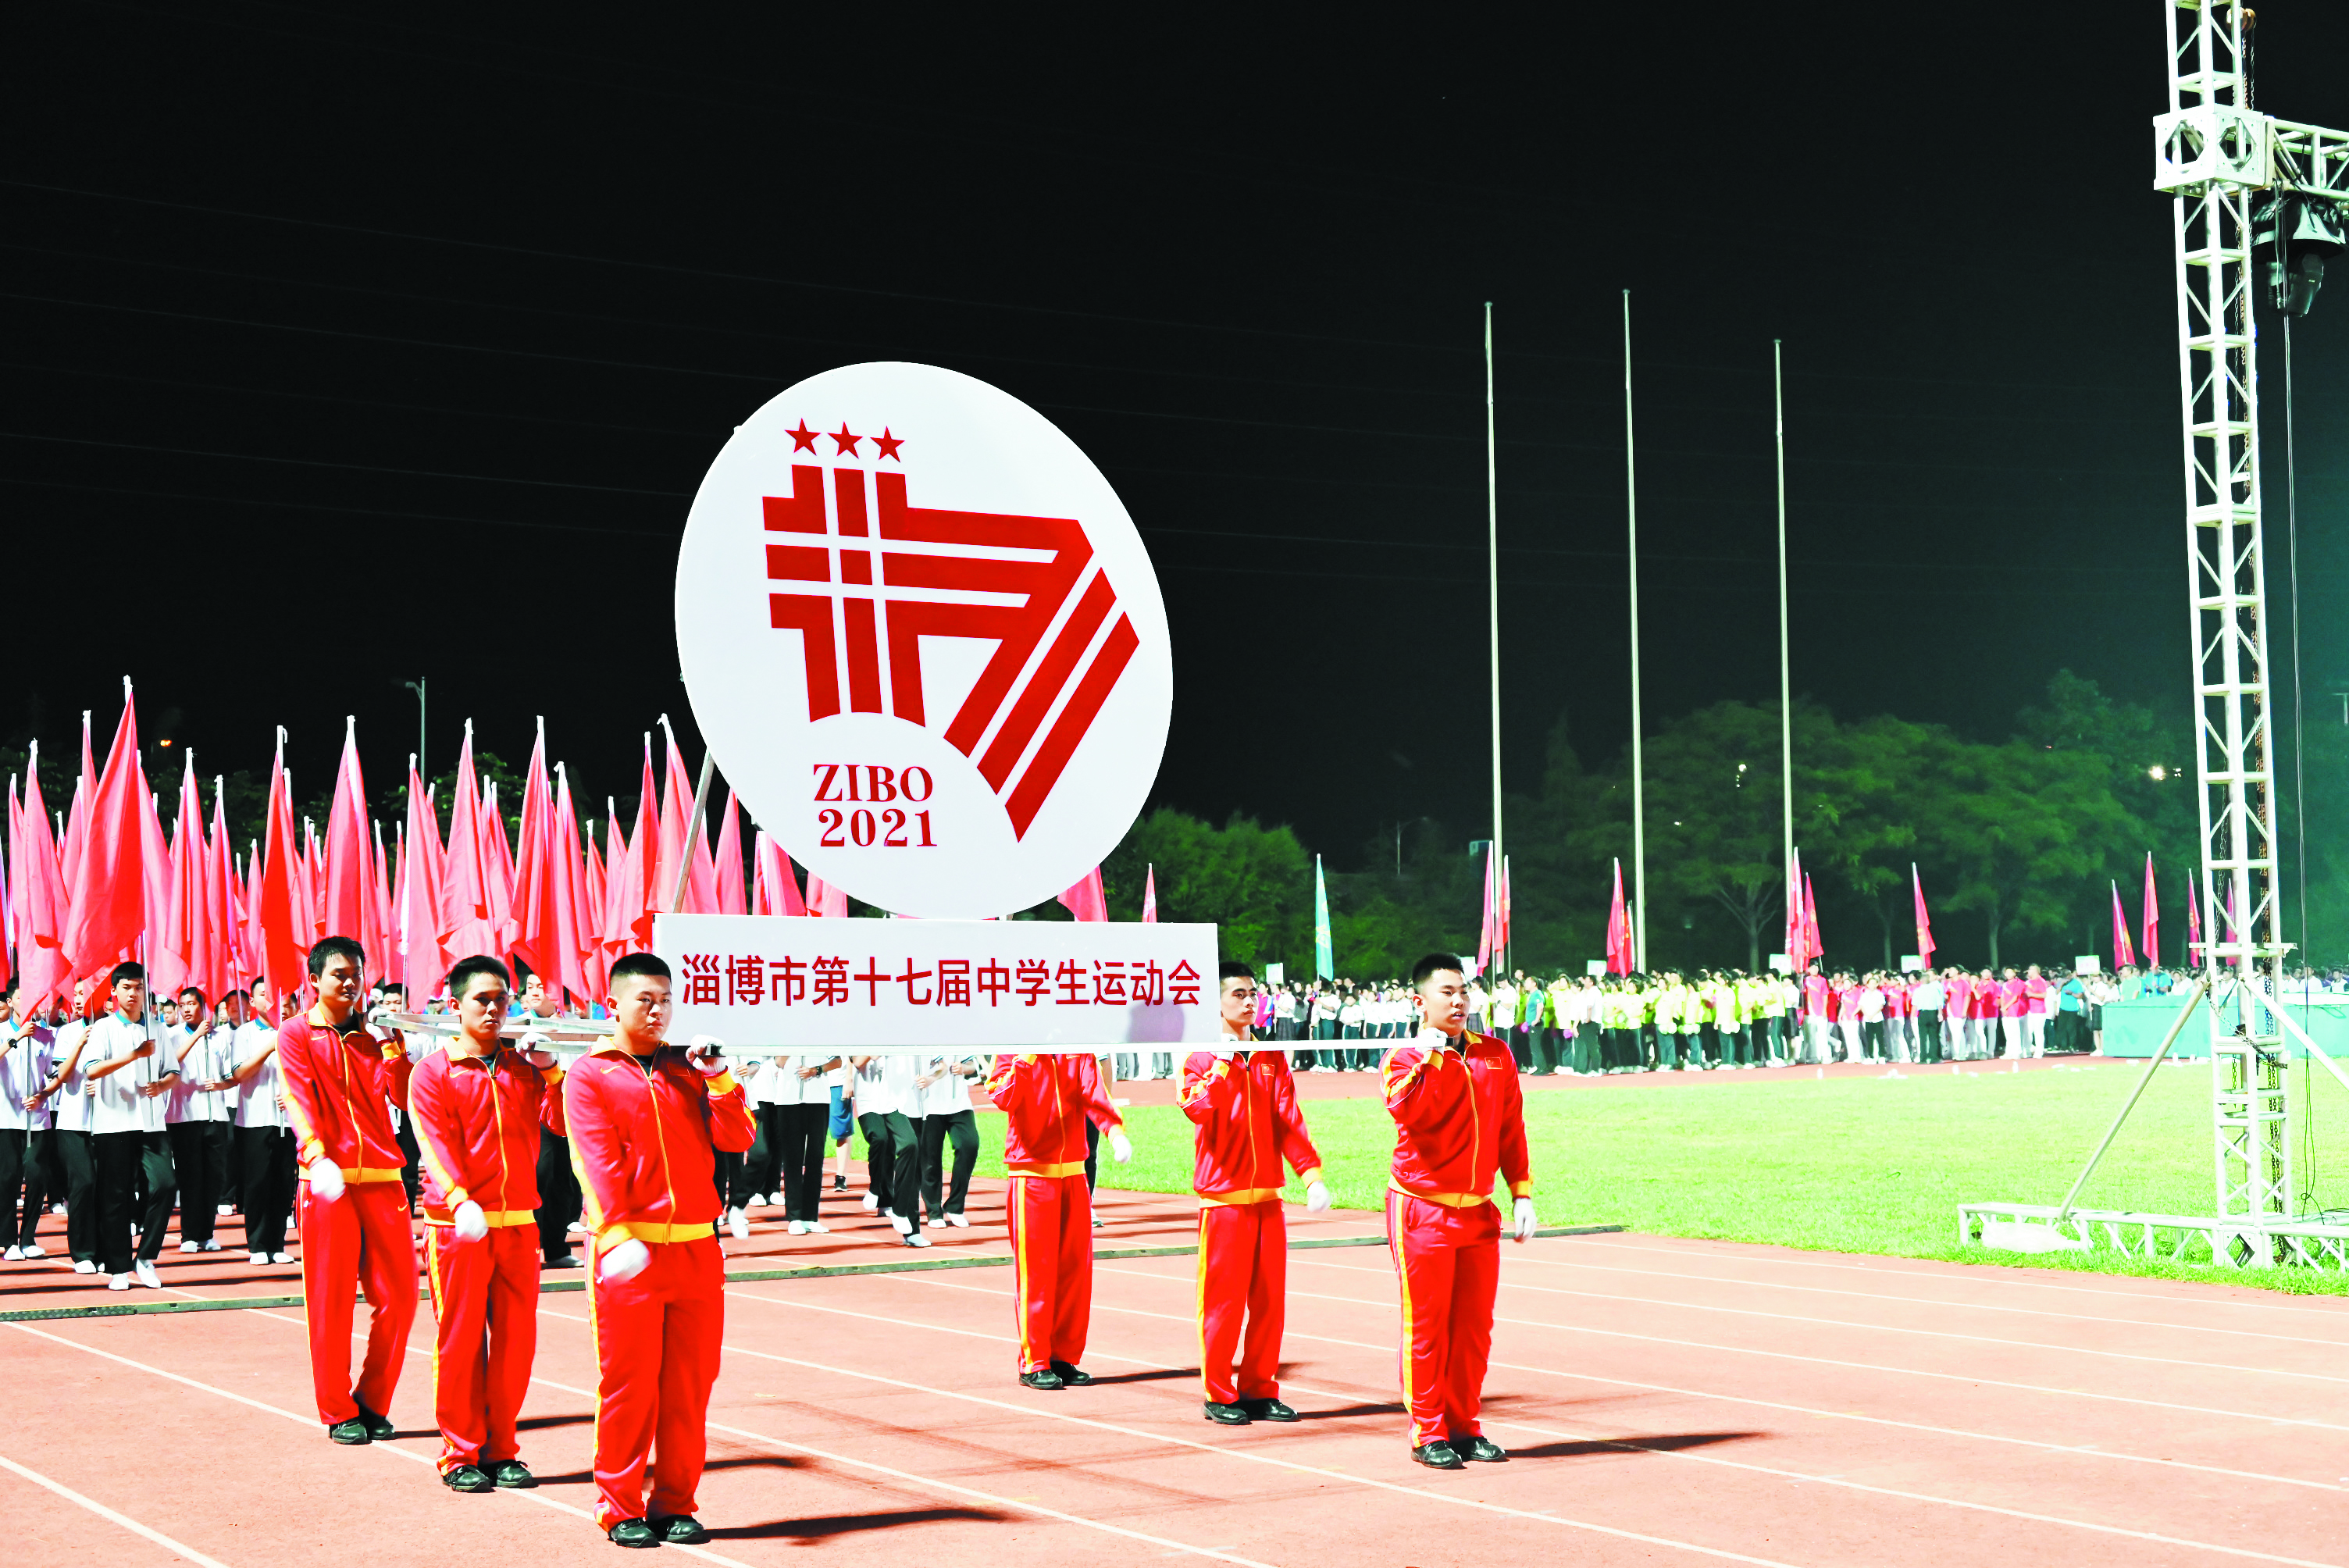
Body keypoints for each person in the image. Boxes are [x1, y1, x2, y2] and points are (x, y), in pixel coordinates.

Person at [564, 951, 755, 1548]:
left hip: (697, 1250)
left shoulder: (689, 1068)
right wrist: (616, 1230)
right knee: (628, 1384)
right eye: (645, 1000)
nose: (658, 1011)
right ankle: (618, 1503)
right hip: (631, 1254)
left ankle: (675, 1501)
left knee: (690, 1385)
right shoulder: (590, 1074)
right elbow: (595, 1162)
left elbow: (738, 1136)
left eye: (666, 999)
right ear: (613, 1002)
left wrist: (721, 1078)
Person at [408, 954, 565, 1493]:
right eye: (483, 999)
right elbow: (432, 1144)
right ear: (454, 1006)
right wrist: (459, 1199)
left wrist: (552, 1070)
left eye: (503, 998)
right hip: (457, 1227)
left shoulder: (524, 1068)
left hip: (518, 1223)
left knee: (517, 1344)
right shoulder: (433, 1072)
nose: (496, 1008)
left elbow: (567, 1122)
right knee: (460, 1341)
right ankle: (460, 1453)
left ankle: (502, 1449)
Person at [1382, 952, 1535, 1470]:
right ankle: (1428, 1430)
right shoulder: (1404, 1059)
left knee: (1473, 1329)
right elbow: (1409, 1114)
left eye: (1463, 990)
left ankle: (1465, 1424)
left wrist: (1522, 1192)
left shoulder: (1494, 1054)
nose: (1458, 1000)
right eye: (1446, 991)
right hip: (1422, 1209)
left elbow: (1510, 1127)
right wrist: (1429, 1059)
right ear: (1419, 1001)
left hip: (1477, 1212)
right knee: (1426, 1327)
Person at [277, 935, 418, 1442]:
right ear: (314, 979)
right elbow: (296, 1097)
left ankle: (373, 1400)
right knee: (331, 1301)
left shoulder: (371, 1036)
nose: (351, 982)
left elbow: (403, 1096)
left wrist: (393, 1048)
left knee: (401, 1298)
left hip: (382, 1179)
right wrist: (316, 1154)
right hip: (327, 1182)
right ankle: (337, 1409)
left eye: (356, 973)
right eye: (339, 974)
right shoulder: (295, 1034)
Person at [1182, 962, 1328, 1426]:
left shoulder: (1269, 1057)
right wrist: (1224, 1065)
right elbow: (1197, 1109)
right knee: (1223, 1304)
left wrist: (1311, 1175)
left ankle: (1260, 1388)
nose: (1249, 1002)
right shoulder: (1200, 1058)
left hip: (1267, 1199)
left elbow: (1289, 1121)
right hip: (1223, 1201)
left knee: (1269, 1303)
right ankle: (1219, 1392)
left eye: (1253, 994)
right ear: (1216, 1002)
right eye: (1238, 994)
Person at [983, 1041, 1131, 1389]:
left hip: (1074, 1173)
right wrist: (1027, 1056)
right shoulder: (1012, 1049)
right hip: (1031, 1174)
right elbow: (1002, 1096)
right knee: (1037, 1271)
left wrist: (1114, 1131)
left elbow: (1095, 1093)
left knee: (1074, 1271)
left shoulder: (1076, 1048)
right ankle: (1034, 1360)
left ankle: (1063, 1356)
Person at [83, 962, 179, 1290]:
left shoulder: (157, 1028)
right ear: (114, 991)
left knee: (165, 1184)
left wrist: (162, 1085)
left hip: (151, 1121)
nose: (133, 994)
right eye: (127, 987)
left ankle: (146, 1256)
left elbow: (173, 1072)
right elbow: (92, 1071)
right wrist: (134, 1056)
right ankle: (119, 1267)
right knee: (116, 1195)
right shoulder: (103, 1029)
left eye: (139, 988)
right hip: (114, 1121)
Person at [226, 982, 298, 1264]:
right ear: (253, 1001)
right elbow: (240, 1073)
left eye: (278, 993)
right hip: (255, 1119)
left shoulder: (295, 1031)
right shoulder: (244, 1033)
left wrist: (293, 1094)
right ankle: (257, 1245)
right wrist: (270, 1046)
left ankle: (277, 1244)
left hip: (289, 1119)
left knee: (283, 1181)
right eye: (264, 994)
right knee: (257, 1183)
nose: (273, 999)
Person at [163, 986, 230, 1253]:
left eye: (192, 1003)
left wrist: (222, 1084)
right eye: (183, 1004)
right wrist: (196, 1036)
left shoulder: (220, 1038)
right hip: (184, 1116)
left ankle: (207, 1233)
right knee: (190, 1176)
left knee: (214, 1177)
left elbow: (229, 1075)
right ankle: (189, 1235)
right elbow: (169, 1063)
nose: (188, 1008)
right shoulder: (173, 1035)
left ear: (204, 1006)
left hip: (215, 1114)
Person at [850, 1050, 928, 1248]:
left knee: (915, 1162)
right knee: (906, 1144)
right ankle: (897, 1208)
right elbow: (869, 1058)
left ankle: (912, 1231)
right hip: (890, 1102)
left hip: (915, 1098)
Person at [1, 984, 55, 1259]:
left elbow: (53, 1076)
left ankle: (28, 1237)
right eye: (23, 997)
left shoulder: (47, 1035)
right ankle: (9, 1241)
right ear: (11, 1002)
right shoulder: (2, 1032)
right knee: (8, 1178)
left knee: (37, 1176)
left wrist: (43, 1095)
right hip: (5, 1118)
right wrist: (16, 1038)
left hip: (37, 1119)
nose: (29, 1001)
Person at [915, 1051, 982, 1229]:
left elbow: (973, 1065)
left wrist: (963, 1068)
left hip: (959, 1104)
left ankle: (955, 1206)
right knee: (930, 1160)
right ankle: (934, 1211)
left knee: (969, 1144)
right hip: (929, 1105)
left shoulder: (959, 1036)